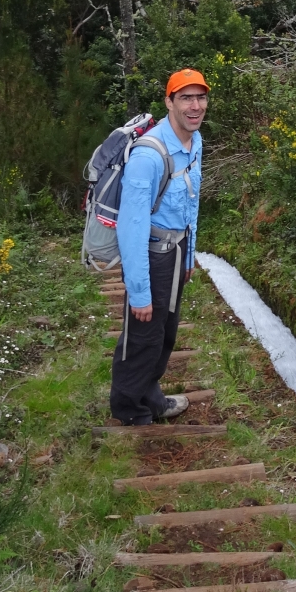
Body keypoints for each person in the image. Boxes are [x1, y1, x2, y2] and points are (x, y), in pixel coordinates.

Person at [109, 68, 208, 425]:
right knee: (143, 337)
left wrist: (189, 253)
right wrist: (139, 292)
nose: (195, 106)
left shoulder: (194, 142)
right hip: (151, 257)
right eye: (186, 98)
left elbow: (191, 204)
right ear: (169, 102)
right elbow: (131, 228)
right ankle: (128, 409)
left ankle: (150, 397)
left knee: (165, 332)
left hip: (176, 251)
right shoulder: (148, 157)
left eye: (200, 97)